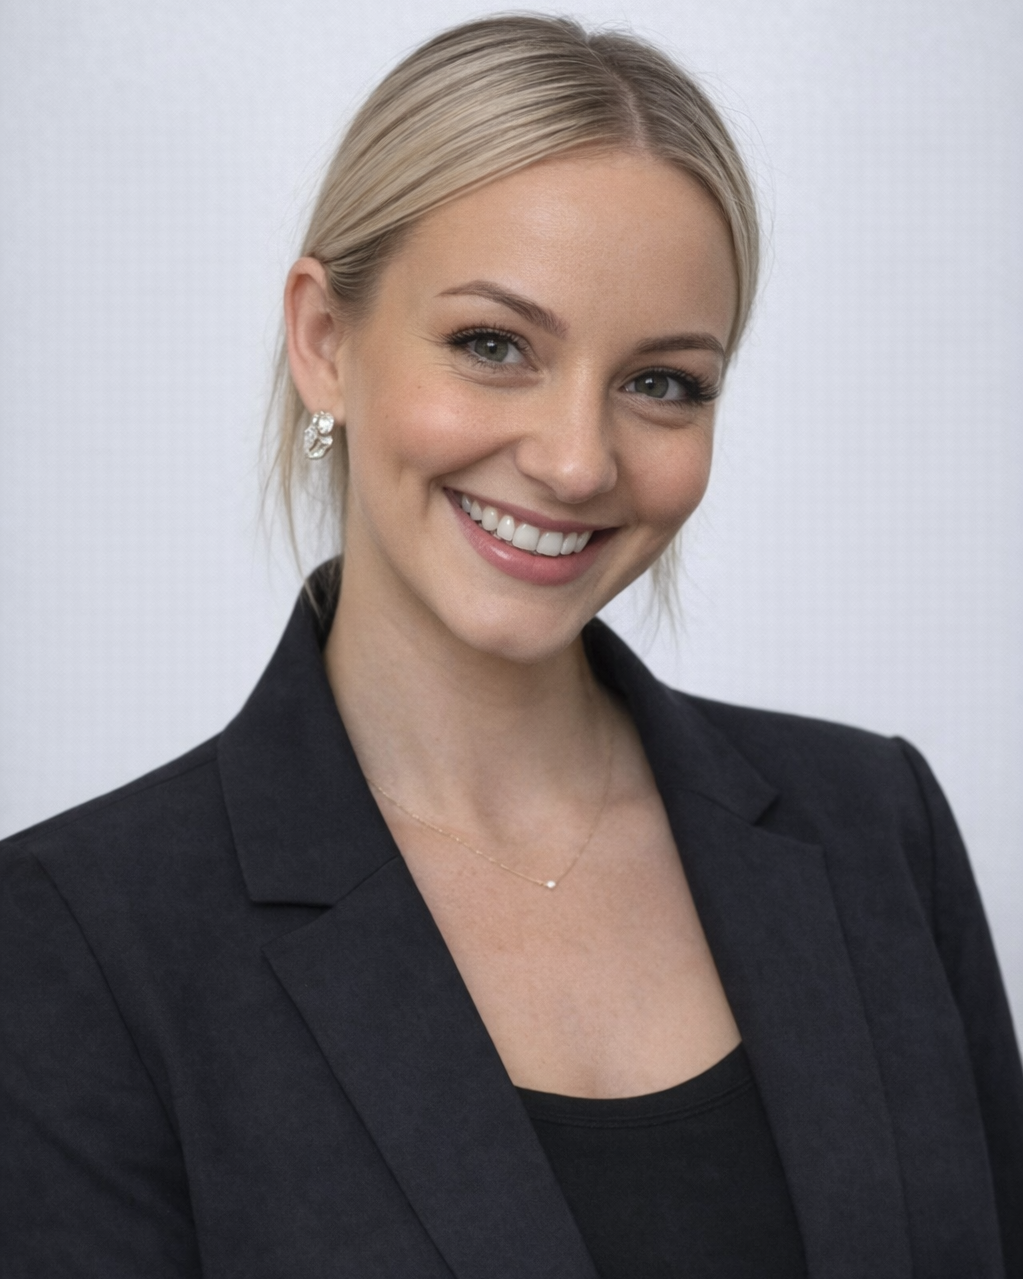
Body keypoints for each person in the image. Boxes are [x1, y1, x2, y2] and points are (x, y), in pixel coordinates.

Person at [1, 13, 1020, 1278]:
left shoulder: (880, 830)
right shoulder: (75, 934)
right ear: (325, 340)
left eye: (663, 382)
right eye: (494, 347)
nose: (578, 459)